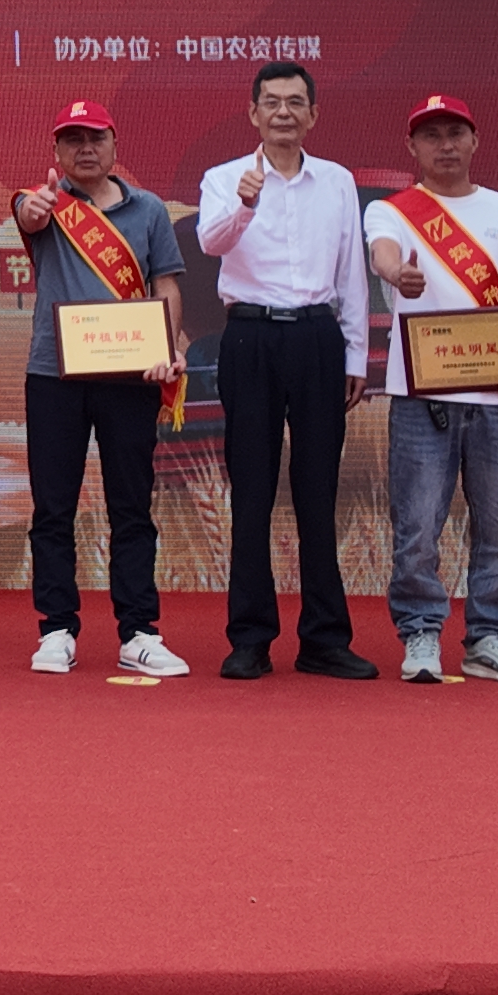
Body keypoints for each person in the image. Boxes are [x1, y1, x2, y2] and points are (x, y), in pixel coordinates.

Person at [364, 95, 498, 686]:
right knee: (418, 525)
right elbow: (383, 252)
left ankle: (491, 638)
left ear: (475, 140)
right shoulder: (392, 210)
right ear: (412, 147)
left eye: (455, 133)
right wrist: (397, 274)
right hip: (423, 397)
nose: (445, 145)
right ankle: (421, 631)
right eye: (431, 135)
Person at [194, 60, 376, 681]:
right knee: (251, 489)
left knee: (318, 489)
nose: (283, 113)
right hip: (249, 335)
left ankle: (324, 638)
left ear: (313, 114)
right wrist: (245, 204)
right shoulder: (225, 178)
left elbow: (351, 272)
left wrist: (354, 354)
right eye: (271, 102)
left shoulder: (338, 182)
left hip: (318, 337)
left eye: (295, 102)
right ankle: (250, 638)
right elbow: (212, 243)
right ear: (253, 113)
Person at [12, 98, 192, 679]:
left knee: (131, 507)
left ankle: (139, 631)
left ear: (115, 144)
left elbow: (166, 285)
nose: (85, 149)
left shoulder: (150, 210)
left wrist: (169, 347)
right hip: (54, 375)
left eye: (95, 138)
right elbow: (28, 217)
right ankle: (56, 629)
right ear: (57, 151)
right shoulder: (44, 202)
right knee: (53, 507)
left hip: (132, 376)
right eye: (73, 140)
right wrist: (35, 208)